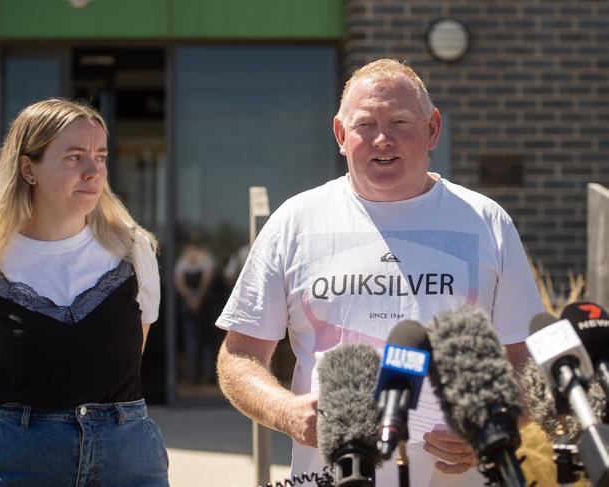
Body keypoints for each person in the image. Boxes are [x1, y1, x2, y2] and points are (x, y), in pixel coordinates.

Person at [216, 59, 544, 486]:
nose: (383, 139)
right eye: (365, 124)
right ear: (340, 134)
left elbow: (525, 362)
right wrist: (289, 413)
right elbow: (238, 356)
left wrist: (495, 426)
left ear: (433, 129)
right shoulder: (295, 221)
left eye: (401, 122)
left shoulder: (485, 222)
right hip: (330, 474)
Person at [0, 99, 168, 486]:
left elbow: (123, 366)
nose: (93, 171)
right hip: (15, 466)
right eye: (74, 157)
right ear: (28, 169)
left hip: (128, 463)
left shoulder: (134, 252)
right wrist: (17, 441)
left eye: (101, 157)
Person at [174, 230, 216, 384]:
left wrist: (189, 298)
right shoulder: (206, 258)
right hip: (203, 303)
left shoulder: (184, 259)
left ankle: (194, 375)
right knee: (206, 340)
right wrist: (198, 297)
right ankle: (207, 374)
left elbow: (179, 281)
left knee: (193, 340)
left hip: (190, 303)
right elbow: (207, 277)